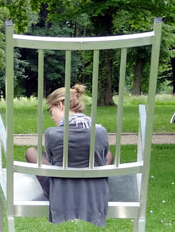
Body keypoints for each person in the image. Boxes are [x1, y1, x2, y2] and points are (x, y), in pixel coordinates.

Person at [25, 84, 113, 227]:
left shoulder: (52, 133)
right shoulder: (100, 131)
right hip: (94, 190)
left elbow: (53, 161)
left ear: (60, 104)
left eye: (50, 110)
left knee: (31, 151)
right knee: (108, 154)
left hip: (61, 191)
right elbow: (103, 156)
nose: (51, 116)